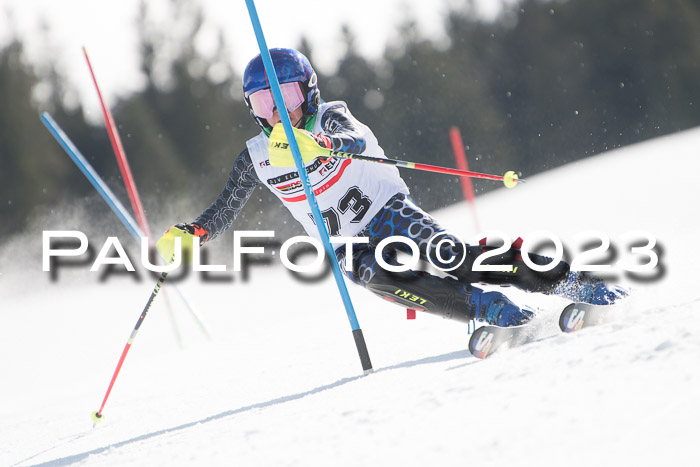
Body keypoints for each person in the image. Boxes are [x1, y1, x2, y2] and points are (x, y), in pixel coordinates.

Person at [157, 48, 626, 328]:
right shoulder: (256, 155)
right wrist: (193, 233)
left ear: (309, 92)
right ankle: (489, 307)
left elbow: (351, 138)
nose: (279, 112)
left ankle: (571, 281)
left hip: (386, 209)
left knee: (452, 255)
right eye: (264, 101)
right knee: (380, 278)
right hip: (346, 243)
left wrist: (316, 144)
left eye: (288, 97)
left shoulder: (330, 116)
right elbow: (225, 206)